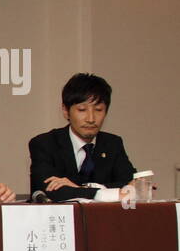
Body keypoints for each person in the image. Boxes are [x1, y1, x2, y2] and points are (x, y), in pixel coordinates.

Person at [29, 73, 135, 202]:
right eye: (82, 110)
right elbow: (49, 190)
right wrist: (103, 193)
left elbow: (131, 186)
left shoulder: (113, 143)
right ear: (65, 111)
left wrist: (79, 188)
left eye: (98, 110)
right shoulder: (45, 144)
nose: (91, 119)